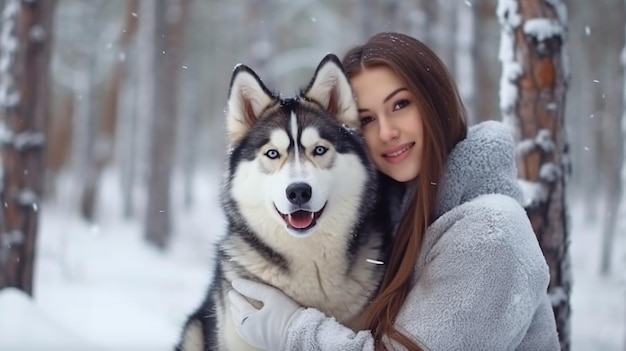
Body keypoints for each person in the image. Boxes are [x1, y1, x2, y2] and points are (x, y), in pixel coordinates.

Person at [227, 32, 560, 351]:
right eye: (367, 119)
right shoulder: (400, 219)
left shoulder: (490, 233)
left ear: (436, 101)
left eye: (400, 105)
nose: (387, 132)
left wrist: (295, 331)